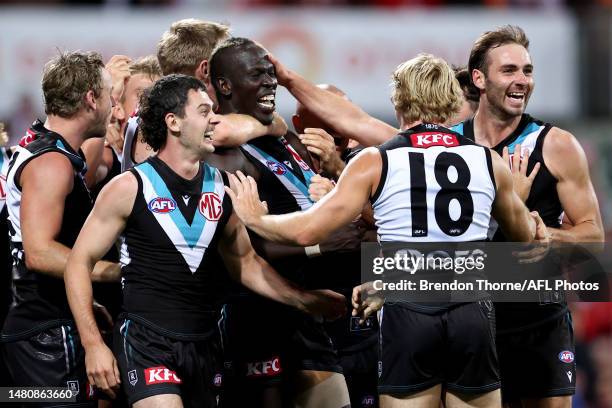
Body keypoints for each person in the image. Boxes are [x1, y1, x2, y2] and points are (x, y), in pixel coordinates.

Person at [225, 53, 548, 408]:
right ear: (451, 100)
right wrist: (529, 216)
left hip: (407, 312)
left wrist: (257, 219)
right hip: (472, 312)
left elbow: (307, 231)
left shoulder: (375, 160)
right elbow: (523, 238)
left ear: (398, 100)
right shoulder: (488, 161)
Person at [64, 74, 346, 408]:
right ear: (174, 122)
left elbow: (245, 264)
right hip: (147, 342)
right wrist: (94, 345)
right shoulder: (129, 187)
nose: (214, 119)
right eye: (203, 111)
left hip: (205, 344)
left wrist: (303, 300)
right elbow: (78, 264)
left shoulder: (226, 187)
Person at [450, 25, 604, 408]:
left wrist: (549, 237)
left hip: (538, 322)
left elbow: (593, 234)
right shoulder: (450, 145)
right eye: (510, 71)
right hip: (468, 319)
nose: (522, 81)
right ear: (479, 79)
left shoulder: (556, 145)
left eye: (528, 71)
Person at [208, 37, 358, 408]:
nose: (270, 82)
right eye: (257, 74)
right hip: (260, 317)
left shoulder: (284, 139)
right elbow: (236, 247)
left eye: (271, 73)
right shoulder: (227, 156)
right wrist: (319, 243)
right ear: (225, 85)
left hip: (310, 316)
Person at [1, 51, 120, 404]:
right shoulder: (52, 164)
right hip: (44, 337)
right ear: (90, 99)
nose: (114, 103)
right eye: (109, 94)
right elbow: (39, 253)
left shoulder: (48, 147)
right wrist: (113, 271)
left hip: (39, 326)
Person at [121, 19, 288, 172]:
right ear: (206, 70)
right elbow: (221, 132)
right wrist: (269, 125)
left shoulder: (166, 103)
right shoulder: (158, 111)